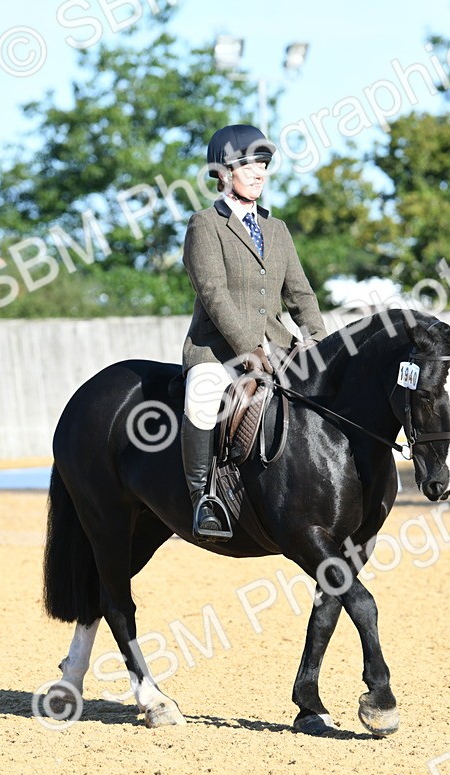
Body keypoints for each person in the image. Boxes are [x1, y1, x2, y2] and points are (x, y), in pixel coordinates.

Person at [180, 124, 328, 541]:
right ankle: (203, 499)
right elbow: (213, 293)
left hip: (279, 345)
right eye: (251, 164)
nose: (260, 173)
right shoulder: (205, 225)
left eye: (264, 165)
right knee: (203, 397)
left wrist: (318, 338)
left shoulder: (276, 229)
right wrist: (247, 348)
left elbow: (300, 291)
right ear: (224, 171)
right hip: (217, 350)